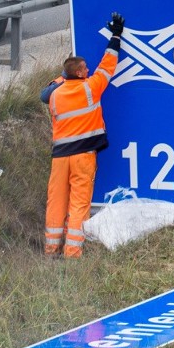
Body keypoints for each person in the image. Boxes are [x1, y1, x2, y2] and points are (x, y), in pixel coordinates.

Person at [41, 13, 124, 256]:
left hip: (59, 158)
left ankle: (51, 248)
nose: (88, 70)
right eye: (84, 68)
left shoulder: (55, 94)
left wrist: (62, 78)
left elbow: (45, 93)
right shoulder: (90, 87)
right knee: (79, 203)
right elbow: (108, 64)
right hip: (83, 157)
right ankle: (72, 253)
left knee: (55, 201)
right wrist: (116, 35)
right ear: (78, 74)